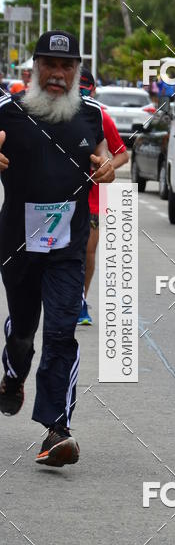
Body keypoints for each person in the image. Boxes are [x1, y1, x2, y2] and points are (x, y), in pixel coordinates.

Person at [0, 30, 115, 467]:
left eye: (67, 66)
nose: (58, 73)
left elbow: (108, 156)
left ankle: (57, 429)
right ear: (34, 68)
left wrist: (106, 167)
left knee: (61, 330)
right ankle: (13, 373)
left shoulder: (90, 115)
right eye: (50, 64)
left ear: (77, 72)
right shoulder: (8, 114)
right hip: (17, 245)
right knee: (25, 330)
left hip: (68, 245)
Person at [77, 67, 129, 325]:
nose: (81, 96)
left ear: (93, 91)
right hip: (59, 198)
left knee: (87, 251)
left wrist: (107, 165)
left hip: (94, 199)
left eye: (85, 91)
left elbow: (122, 153)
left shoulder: (100, 117)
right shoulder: (52, 115)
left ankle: (80, 302)